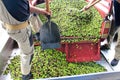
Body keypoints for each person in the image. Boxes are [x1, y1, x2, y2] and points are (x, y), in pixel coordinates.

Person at [0, 0, 51, 80]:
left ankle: (38, 34)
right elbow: (27, 8)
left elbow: (27, 7)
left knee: (33, 15)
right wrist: (42, 11)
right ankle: (26, 75)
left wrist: (42, 11)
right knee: (27, 52)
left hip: (9, 25)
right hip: (19, 29)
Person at [83, 0, 120, 66]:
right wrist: (88, 5)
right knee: (111, 28)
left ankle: (117, 57)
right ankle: (108, 45)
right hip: (117, 9)